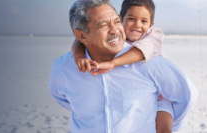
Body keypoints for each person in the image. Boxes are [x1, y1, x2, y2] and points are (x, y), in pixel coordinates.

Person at [49, 0, 198, 132]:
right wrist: (78, 56)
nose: (114, 30)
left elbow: (187, 97)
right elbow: (63, 99)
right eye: (103, 24)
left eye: (116, 21)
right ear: (82, 36)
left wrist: (164, 124)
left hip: (162, 99)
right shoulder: (63, 69)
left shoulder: (150, 58)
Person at [71, 0, 173, 132]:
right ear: (120, 19)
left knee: (164, 127)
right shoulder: (118, 37)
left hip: (161, 96)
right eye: (131, 19)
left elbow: (140, 52)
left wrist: (112, 63)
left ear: (151, 25)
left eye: (144, 21)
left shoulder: (153, 35)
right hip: (139, 97)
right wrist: (79, 56)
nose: (137, 25)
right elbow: (79, 41)